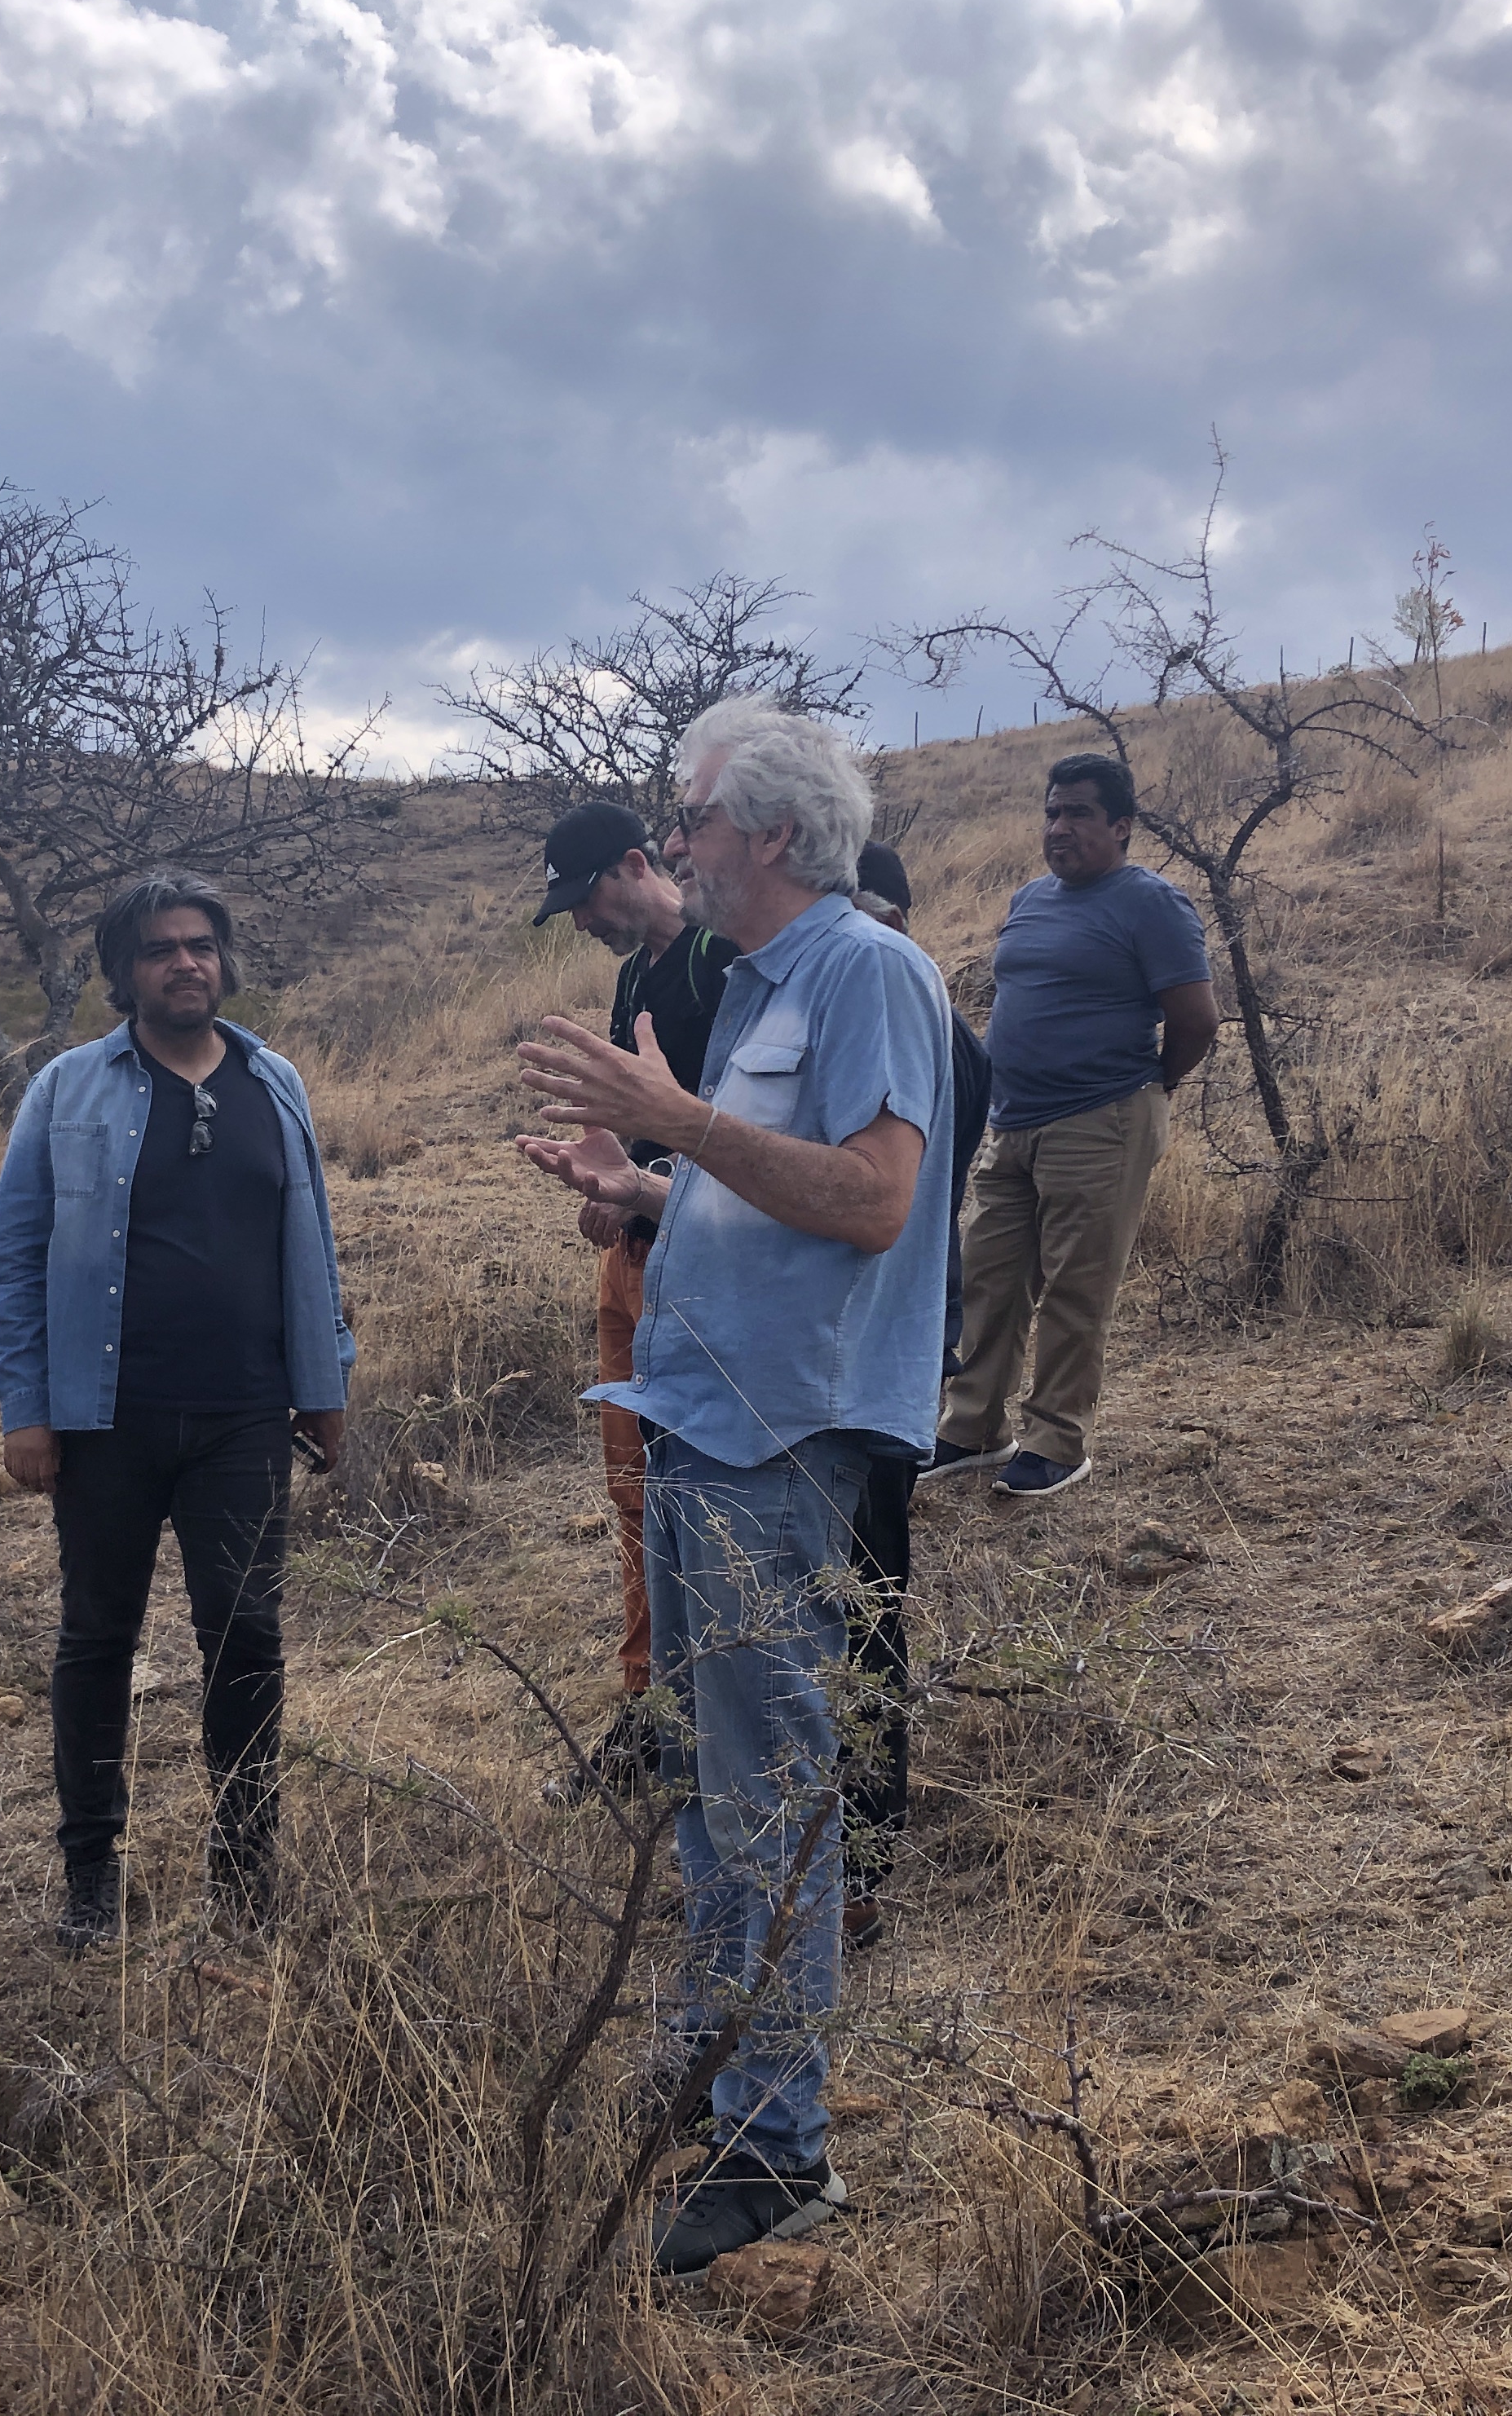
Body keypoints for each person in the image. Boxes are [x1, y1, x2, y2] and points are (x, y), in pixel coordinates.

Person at [516, 699, 955, 2276]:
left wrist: (676, 1120)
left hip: (790, 1436)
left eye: (691, 815)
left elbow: (876, 1202)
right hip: (705, 1412)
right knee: (715, 1783)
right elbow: (771, 1191)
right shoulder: (766, 984)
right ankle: (720, 2066)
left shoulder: (869, 972)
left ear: (769, 832)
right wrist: (646, 1187)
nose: (675, 841)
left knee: (770, 1785)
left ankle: (780, 2145)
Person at [0, 871, 357, 1946]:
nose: (184, 962)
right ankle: (91, 1882)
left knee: (246, 1637)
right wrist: (27, 1408)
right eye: (159, 950)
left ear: (224, 960)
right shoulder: (67, 1090)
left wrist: (323, 1384)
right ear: (122, 973)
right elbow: (12, 1259)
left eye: (200, 945)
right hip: (105, 1418)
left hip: (245, 1414)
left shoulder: (273, 1080)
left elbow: (312, 1243)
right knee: (98, 1641)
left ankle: (245, 1876)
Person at [925, 755, 1218, 1497]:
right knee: (990, 1279)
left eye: (1079, 814)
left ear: (1121, 826)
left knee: (1075, 1289)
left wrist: (1145, 1090)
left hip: (1101, 1120)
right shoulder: (1030, 898)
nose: (1060, 828)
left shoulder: (1151, 904)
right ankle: (974, 1427)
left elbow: (1195, 1020)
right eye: (1053, 812)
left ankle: (1057, 1438)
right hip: (1013, 1120)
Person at [529, 797, 739, 1793]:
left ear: (631, 864)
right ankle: (650, 1707)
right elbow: (637, 1125)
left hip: (700, 1265)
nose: (582, 919)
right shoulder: (633, 976)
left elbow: (737, 1128)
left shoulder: (716, 958)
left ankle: (699, 1718)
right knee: (633, 1497)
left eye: (585, 896)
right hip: (635, 1258)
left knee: (690, 1500)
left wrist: (655, 1188)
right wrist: (603, 1176)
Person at [841, 842, 988, 1955]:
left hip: (874, 1355)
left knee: (862, 1598)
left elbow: (907, 1209)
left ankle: (860, 1844)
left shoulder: (916, 1016)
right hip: (846, 1356)